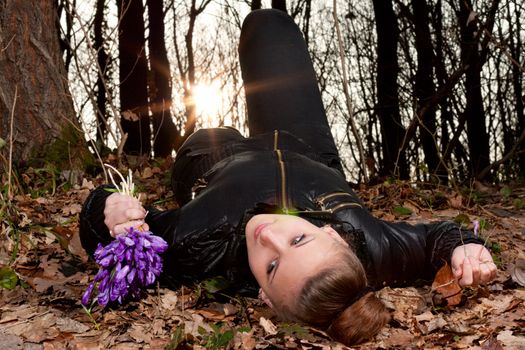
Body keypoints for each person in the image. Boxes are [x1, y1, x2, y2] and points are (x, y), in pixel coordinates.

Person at [79, 9, 497, 346]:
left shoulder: (195, 247)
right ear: (334, 237)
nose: (269, 237)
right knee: (267, 25)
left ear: (264, 296)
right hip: (306, 146)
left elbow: (118, 238)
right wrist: (465, 247)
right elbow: (433, 239)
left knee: (204, 135)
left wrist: (108, 210)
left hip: (216, 154)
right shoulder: (373, 245)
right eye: (299, 239)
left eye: (273, 267)